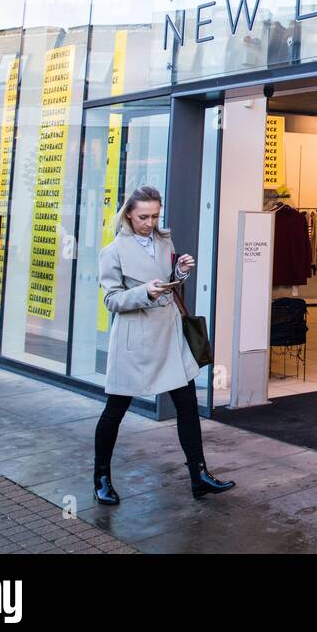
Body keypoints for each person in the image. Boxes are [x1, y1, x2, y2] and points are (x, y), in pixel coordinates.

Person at [92, 185, 235, 505]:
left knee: (187, 406)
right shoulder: (112, 251)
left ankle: (199, 475)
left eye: (155, 216)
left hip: (168, 334)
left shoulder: (163, 239)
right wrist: (146, 292)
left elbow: (168, 281)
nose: (150, 222)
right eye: (143, 216)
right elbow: (111, 300)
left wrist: (179, 272)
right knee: (115, 410)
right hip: (134, 338)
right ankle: (101, 477)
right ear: (128, 213)